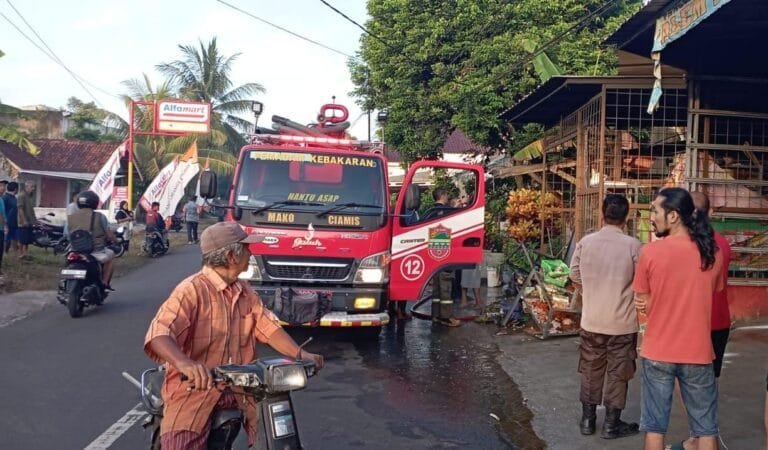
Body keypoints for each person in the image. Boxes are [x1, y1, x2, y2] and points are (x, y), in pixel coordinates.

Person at [144, 222, 324, 449]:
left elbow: (268, 328)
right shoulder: (190, 290)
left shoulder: (245, 291)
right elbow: (159, 334)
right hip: (195, 390)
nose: (251, 253)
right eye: (246, 248)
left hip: (245, 389)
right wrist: (185, 364)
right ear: (231, 255)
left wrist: (301, 353)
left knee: (276, 437)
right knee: (182, 443)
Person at [632, 187, 723, 450]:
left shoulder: (650, 252)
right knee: (706, 429)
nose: (652, 217)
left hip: (658, 350)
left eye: (655, 211)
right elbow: (714, 290)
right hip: (698, 352)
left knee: (654, 427)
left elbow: (644, 300)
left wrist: (656, 304)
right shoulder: (711, 253)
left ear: (673, 216)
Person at [569, 194, 642, 439]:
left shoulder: (586, 243)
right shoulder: (633, 246)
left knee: (590, 369)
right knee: (618, 373)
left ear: (602, 214)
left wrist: (589, 290)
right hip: (622, 323)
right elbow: (642, 282)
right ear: (627, 217)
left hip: (592, 321)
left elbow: (575, 274)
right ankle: (611, 425)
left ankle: (587, 421)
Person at [66, 190, 117, 290]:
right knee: (111, 257)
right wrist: (116, 240)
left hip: (75, 249)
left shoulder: (71, 217)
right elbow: (109, 235)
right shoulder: (100, 216)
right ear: (95, 202)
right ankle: (104, 283)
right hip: (95, 250)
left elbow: (67, 234)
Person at [16, 180, 37, 259]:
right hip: (23, 222)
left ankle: (25, 253)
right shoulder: (21, 195)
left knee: (27, 239)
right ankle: (21, 253)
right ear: (26, 187)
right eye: (31, 187)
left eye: (33, 187)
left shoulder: (29, 196)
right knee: (22, 239)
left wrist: (34, 220)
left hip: (30, 221)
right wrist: (24, 220)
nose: (33, 188)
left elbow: (30, 210)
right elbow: (20, 209)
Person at [3, 182, 18, 254]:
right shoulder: (5, 198)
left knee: (14, 238)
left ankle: (14, 252)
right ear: (15, 189)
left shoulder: (14, 198)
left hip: (14, 222)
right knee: (6, 239)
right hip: (7, 222)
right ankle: (5, 252)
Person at [0, 181, 7, 277]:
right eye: (1, 186)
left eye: (4, 186)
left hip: (1, 228)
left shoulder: (1, 199)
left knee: (1, 250)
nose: (3, 188)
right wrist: (5, 225)